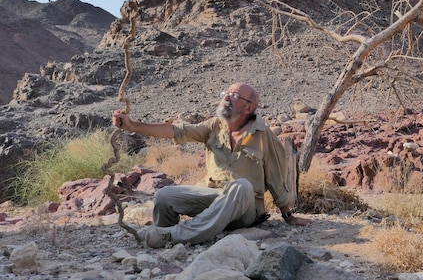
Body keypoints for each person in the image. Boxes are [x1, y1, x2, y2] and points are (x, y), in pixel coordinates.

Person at [112, 81, 315, 248]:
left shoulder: (264, 136)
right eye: (226, 93)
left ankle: (176, 236)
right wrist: (132, 125)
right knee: (163, 196)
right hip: (213, 197)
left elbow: (276, 178)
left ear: (249, 108)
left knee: (242, 186)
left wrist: (289, 216)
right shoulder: (213, 126)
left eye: (234, 95)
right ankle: (163, 233)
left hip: (245, 207)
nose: (226, 97)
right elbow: (174, 132)